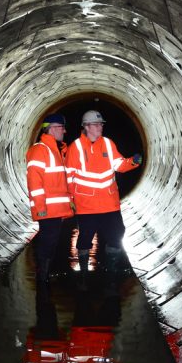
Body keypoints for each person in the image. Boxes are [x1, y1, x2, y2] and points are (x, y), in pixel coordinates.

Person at [65, 110, 142, 278]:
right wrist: (71, 199)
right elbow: (68, 176)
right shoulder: (75, 148)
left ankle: (110, 269)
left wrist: (132, 162)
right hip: (86, 205)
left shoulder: (108, 143)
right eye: (96, 124)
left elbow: (119, 164)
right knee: (85, 239)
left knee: (117, 234)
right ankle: (83, 274)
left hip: (109, 203)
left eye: (101, 124)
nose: (100, 127)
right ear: (86, 126)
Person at [26, 114, 75, 299]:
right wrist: (40, 206)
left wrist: (70, 200)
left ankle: (44, 275)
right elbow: (34, 179)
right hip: (47, 208)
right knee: (47, 242)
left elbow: (60, 181)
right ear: (53, 128)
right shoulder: (40, 149)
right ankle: (42, 278)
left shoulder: (56, 150)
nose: (64, 131)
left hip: (55, 208)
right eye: (62, 127)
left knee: (51, 242)